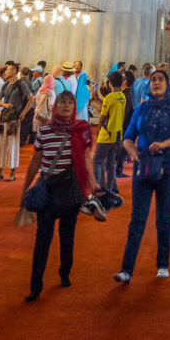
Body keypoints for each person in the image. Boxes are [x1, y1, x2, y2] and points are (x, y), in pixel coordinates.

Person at [20, 90, 98, 302]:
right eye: (62, 102)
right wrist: (26, 186)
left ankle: (65, 273)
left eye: (69, 103)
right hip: (49, 190)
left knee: (67, 235)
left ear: (74, 107)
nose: (65, 106)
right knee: (42, 240)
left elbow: (86, 158)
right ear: (56, 106)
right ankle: (35, 285)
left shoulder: (80, 130)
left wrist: (93, 183)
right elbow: (35, 161)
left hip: (70, 190)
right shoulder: (45, 131)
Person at [115, 68, 170, 283]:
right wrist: (134, 153)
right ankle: (126, 269)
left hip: (168, 166)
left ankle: (162, 264)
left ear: (167, 84)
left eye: (160, 80)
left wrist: (164, 144)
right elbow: (128, 138)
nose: (156, 83)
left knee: (163, 215)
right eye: (153, 80)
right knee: (137, 218)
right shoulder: (142, 109)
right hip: (145, 166)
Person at [0, 62, 32, 181]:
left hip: (15, 117)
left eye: (8, 69)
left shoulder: (21, 84)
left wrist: (23, 113)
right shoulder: (5, 85)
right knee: (2, 144)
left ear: (14, 71)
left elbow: (31, 99)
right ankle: (0, 171)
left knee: (13, 144)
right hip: (5, 115)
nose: (5, 72)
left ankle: (12, 173)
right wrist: (5, 105)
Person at [94, 70, 126, 193]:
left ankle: (100, 186)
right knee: (111, 162)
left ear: (110, 83)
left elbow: (103, 117)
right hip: (118, 133)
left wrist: (98, 130)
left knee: (97, 160)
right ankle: (111, 186)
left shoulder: (109, 98)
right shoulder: (122, 97)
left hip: (107, 134)